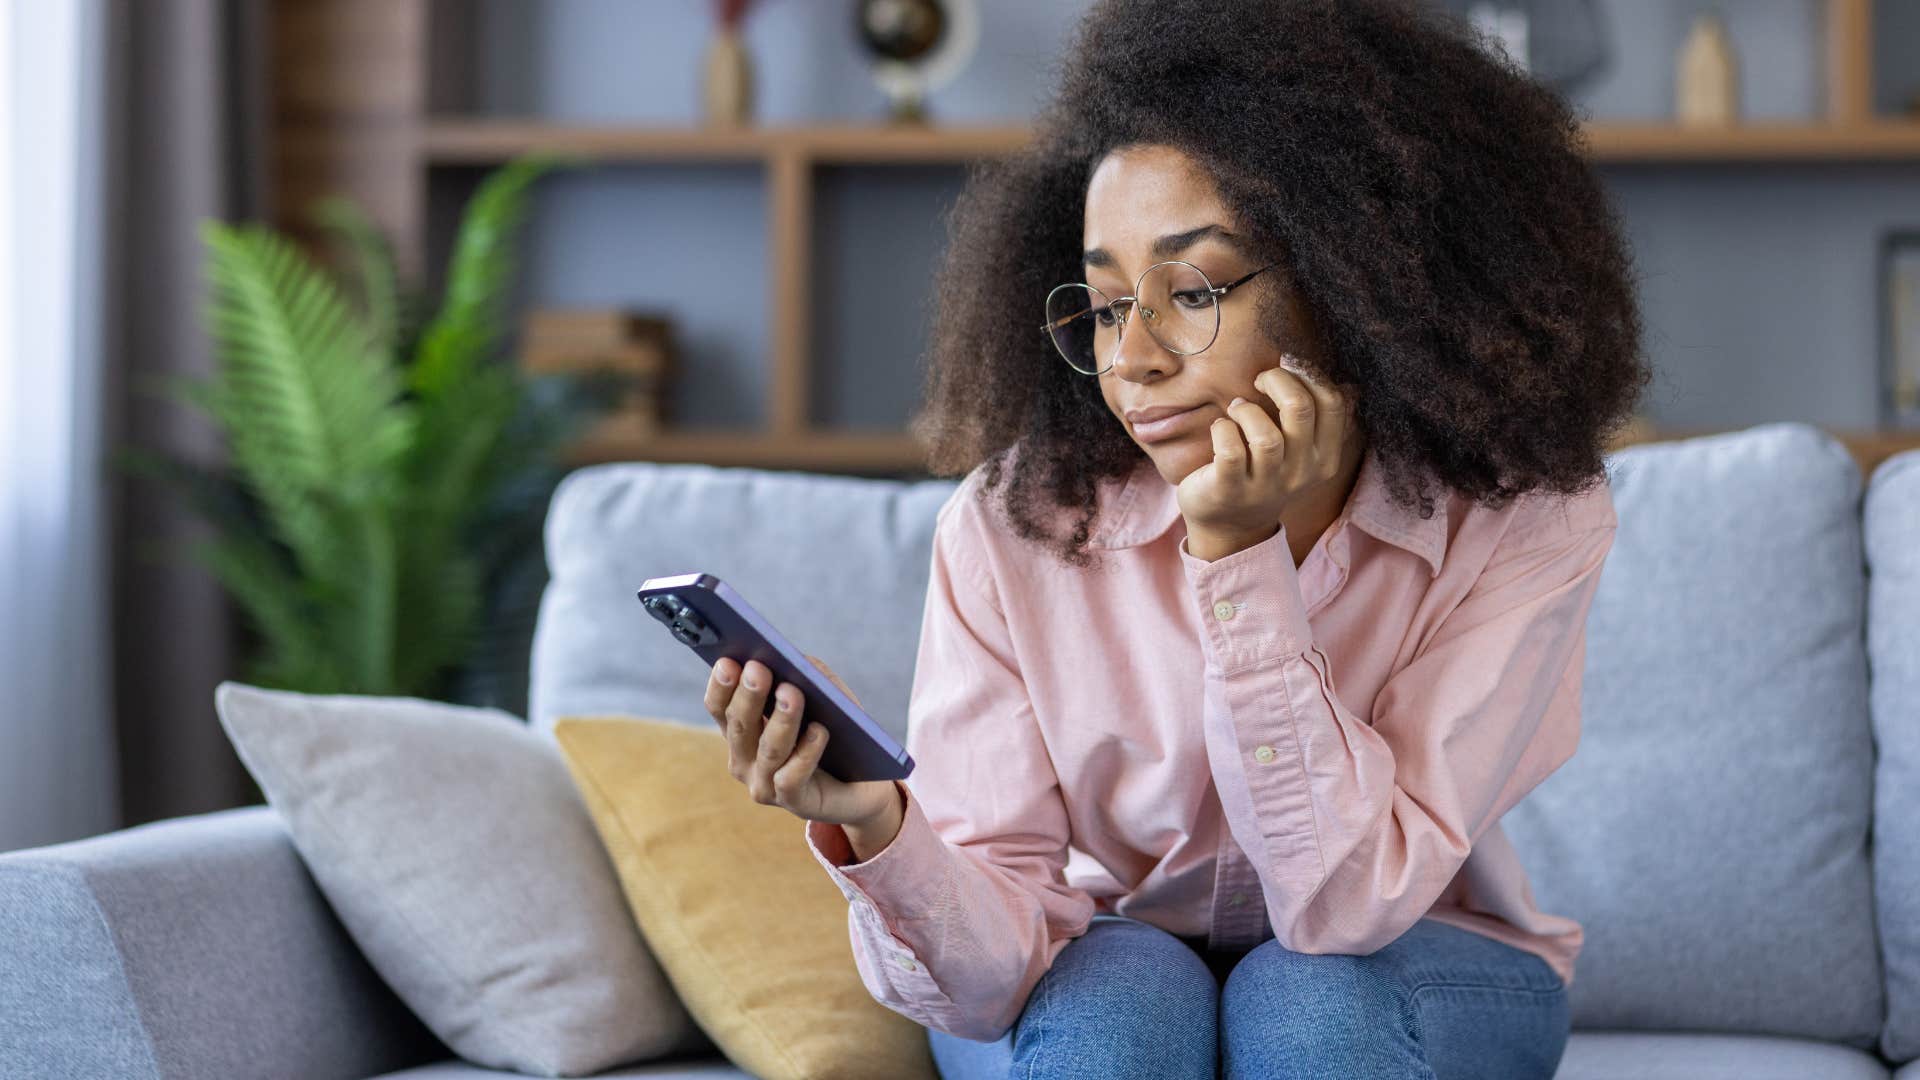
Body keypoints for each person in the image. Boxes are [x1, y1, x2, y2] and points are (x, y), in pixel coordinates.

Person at [702, 0, 1650, 1074]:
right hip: (1111, 954)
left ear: (1357, 280)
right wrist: (876, 822)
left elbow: (1346, 905)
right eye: (1107, 308)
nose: (1134, 359)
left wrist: (1240, 565)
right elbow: (980, 987)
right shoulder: (1016, 528)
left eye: (1191, 289)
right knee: (1118, 994)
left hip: (1404, 953)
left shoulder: (1524, 518)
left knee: (1309, 1000)